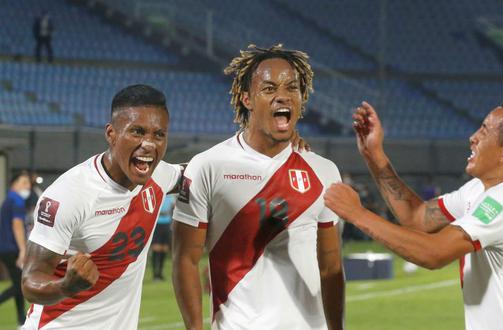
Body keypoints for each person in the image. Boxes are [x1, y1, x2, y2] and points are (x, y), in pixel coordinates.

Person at [324, 94, 503, 329]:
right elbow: (416, 218)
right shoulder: (478, 190)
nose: (473, 138)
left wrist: (357, 214)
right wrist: (374, 155)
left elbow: (434, 252)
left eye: (485, 131)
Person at [172, 44, 345, 330]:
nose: (282, 96)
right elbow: (185, 261)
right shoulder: (209, 166)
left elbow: (330, 267)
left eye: (292, 88)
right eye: (268, 88)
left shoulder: (324, 171)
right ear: (247, 99)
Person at [20, 84, 182, 329]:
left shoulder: (159, 175)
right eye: (137, 132)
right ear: (111, 133)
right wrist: (65, 286)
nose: (149, 144)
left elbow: (202, 174)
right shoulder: (68, 195)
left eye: (158, 135)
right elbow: (31, 281)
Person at [0, 172, 32, 327]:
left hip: (5, 248)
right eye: (24, 182)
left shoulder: (8, 200)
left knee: (18, 284)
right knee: (21, 285)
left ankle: (21, 321)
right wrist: (22, 250)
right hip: (13, 248)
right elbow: (17, 225)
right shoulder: (17, 200)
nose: (28, 186)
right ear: (14, 184)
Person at [151, 194, 175, 280]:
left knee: (164, 249)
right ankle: (155, 274)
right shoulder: (157, 194)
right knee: (156, 248)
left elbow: (173, 209)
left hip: (167, 225)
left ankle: (160, 273)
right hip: (157, 224)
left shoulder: (171, 197)